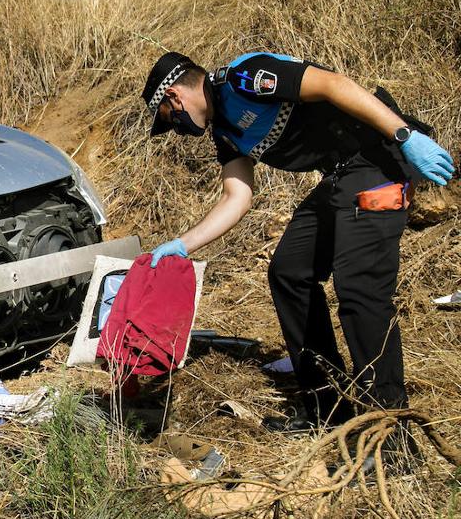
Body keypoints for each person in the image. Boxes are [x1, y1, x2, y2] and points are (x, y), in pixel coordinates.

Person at [141, 51, 454, 434]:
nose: (177, 129)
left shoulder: (246, 77)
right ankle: (327, 407)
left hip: (377, 159)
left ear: (174, 97)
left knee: (359, 289)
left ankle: (390, 433)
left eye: (170, 121)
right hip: (340, 177)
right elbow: (236, 197)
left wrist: (405, 136)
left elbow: (334, 84)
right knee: (290, 272)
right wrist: (182, 244)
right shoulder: (225, 132)